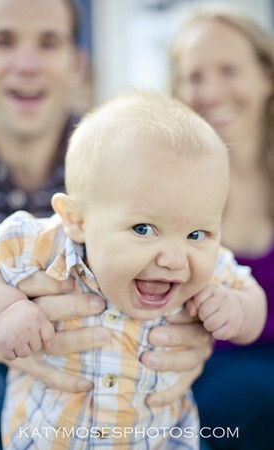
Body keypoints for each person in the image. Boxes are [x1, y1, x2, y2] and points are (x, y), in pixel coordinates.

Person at [0, 0, 214, 448]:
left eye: (49, 43)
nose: (27, 64)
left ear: (77, 63)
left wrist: (196, 336)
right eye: (3, 41)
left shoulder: (123, 155)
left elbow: (197, 258)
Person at [0, 90, 266, 449]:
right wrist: (5, 308)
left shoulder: (211, 271)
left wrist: (237, 310)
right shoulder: (48, 244)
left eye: (196, 233)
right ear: (76, 220)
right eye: (144, 229)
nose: (175, 258)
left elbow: (253, 297)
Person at [169, 5, 274, 449]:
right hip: (207, 383)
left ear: (266, 76)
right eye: (195, 77)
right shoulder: (165, 186)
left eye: (229, 70)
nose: (211, 92)